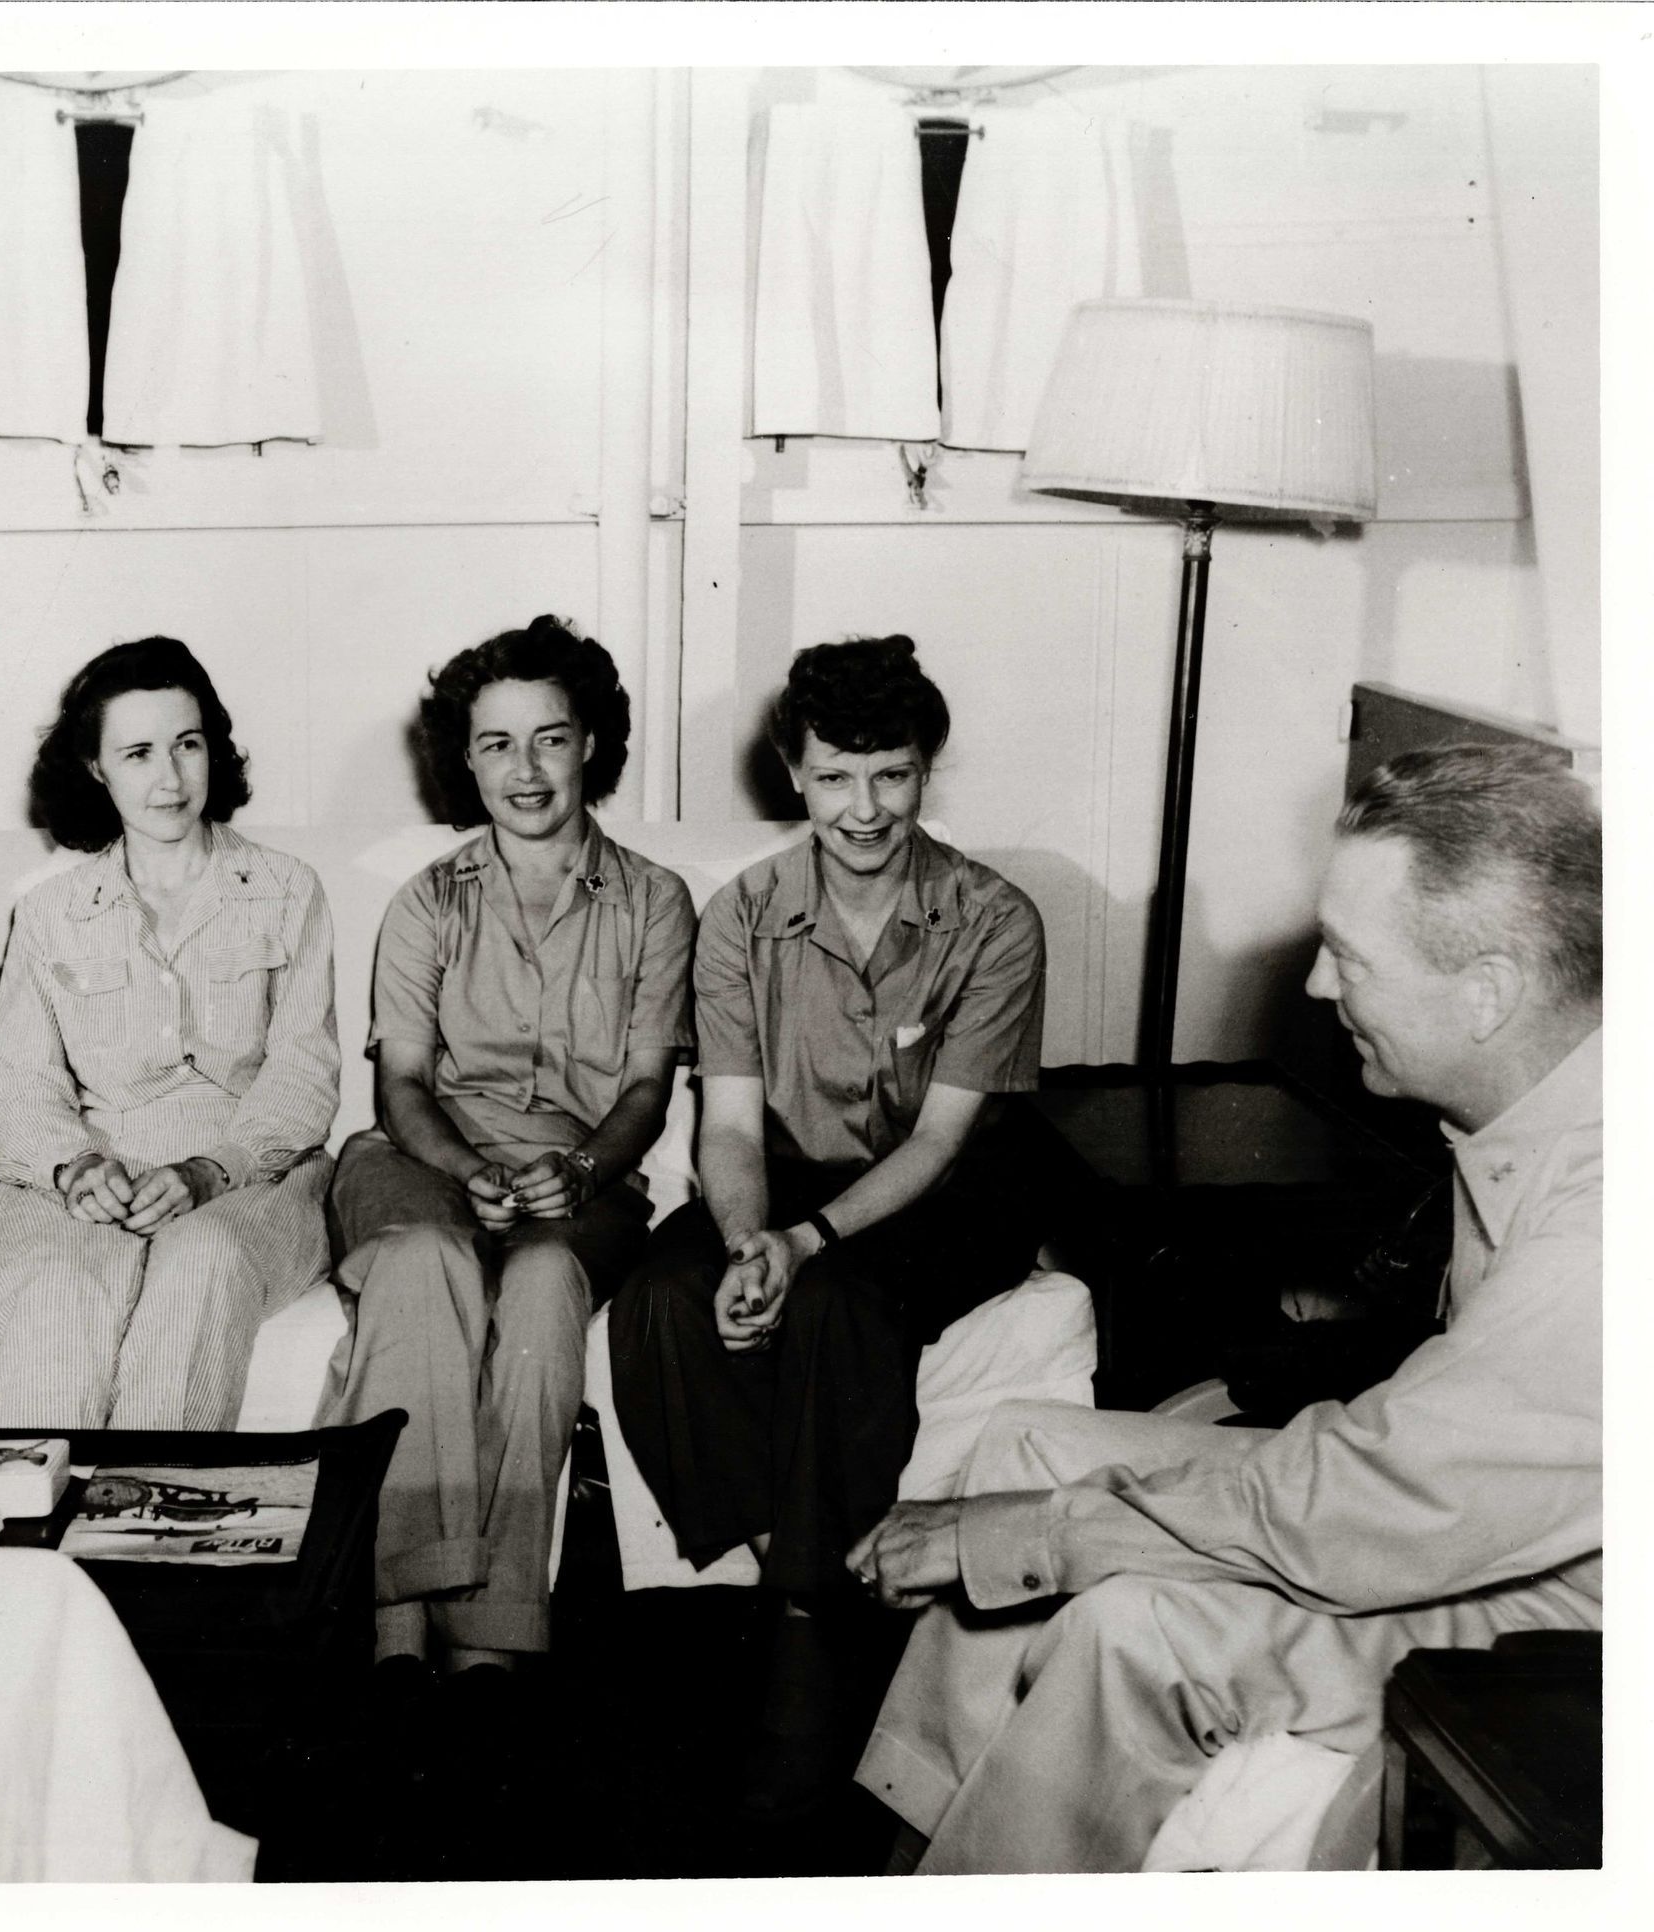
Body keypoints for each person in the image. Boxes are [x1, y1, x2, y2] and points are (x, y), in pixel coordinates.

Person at [851, 742, 1602, 1873]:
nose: (1312, 985)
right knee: (1021, 1443)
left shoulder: (1609, 1223)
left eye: (1348, 956)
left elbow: (1371, 1504)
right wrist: (1029, 1514)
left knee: (1122, 1620)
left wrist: (1035, 1537)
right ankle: (913, 1850)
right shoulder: (1519, 1109)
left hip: (1556, 1635)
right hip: (1455, 1521)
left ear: (1487, 992)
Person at [607, 635, 1048, 1810]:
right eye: (838, 777)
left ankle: (802, 1637)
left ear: (924, 774)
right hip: (789, 1178)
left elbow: (943, 1143)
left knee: (842, 1306)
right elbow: (734, 1131)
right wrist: (755, 1240)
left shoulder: (993, 919)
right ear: (794, 776)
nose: (865, 809)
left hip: (948, 1193)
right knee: (660, 1300)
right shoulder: (742, 916)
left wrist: (807, 1250)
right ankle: (802, 1573)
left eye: (892, 775)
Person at [323, 615, 695, 1702]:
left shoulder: (654, 902)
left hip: (583, 1173)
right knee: (421, 1262)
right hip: (421, 1151)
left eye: (550, 738)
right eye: (495, 744)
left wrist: (580, 1170)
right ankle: (398, 1623)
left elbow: (644, 1088)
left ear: (592, 745)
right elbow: (401, 1087)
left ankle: (492, 1633)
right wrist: (460, 1169)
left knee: (539, 1282)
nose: (524, 770)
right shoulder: (429, 903)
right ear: (465, 758)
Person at [0, 637, 339, 1429]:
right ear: (96, 769)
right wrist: (75, 1168)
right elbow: (24, 1087)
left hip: (251, 1177)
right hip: (87, 1175)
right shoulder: (47, 914)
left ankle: (153, 1540)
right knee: (59, 1290)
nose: (169, 778)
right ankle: (19, 1538)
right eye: (137, 753)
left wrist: (212, 1170)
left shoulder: (287, 891)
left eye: (188, 745)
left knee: (201, 1264)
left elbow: (304, 1074)